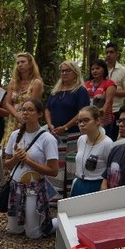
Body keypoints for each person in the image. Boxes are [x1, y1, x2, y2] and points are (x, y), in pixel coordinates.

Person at [3, 98, 59, 238]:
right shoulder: (15, 135)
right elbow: (6, 164)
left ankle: (57, 222)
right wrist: (16, 158)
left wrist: (28, 160)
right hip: (16, 186)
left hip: (34, 188)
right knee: (14, 230)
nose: (25, 113)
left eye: (30, 110)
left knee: (33, 234)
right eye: (23, 110)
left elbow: (53, 171)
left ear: (39, 114)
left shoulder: (47, 139)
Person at [45, 61, 90, 197]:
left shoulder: (80, 91)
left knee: (71, 167)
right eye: (62, 71)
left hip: (73, 134)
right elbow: (47, 109)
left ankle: (71, 197)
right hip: (55, 134)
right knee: (55, 164)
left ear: (75, 73)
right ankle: (54, 198)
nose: (64, 73)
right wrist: (50, 124)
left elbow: (82, 112)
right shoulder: (56, 91)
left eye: (67, 70)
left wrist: (65, 127)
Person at [1, 52, 44, 146]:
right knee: (9, 148)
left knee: (25, 147)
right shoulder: (13, 82)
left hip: (28, 119)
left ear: (30, 64)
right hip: (13, 119)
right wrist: (16, 115)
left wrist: (23, 117)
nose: (20, 65)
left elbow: (34, 104)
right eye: (18, 63)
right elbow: (7, 103)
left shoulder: (36, 83)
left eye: (23, 62)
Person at [71, 106, 114, 196]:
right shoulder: (81, 139)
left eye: (86, 120)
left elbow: (110, 170)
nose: (81, 124)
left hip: (96, 185)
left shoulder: (107, 143)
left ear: (97, 120)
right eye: (79, 121)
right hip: (79, 183)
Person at [104, 42, 125, 140]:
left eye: (111, 52)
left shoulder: (124, 71)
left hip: (115, 111)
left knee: (111, 140)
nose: (108, 55)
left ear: (117, 54)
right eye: (107, 52)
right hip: (99, 111)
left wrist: (110, 91)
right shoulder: (100, 69)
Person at [84, 58, 116, 127]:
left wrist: (101, 114)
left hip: (104, 120)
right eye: (92, 69)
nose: (94, 71)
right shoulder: (86, 84)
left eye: (97, 68)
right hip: (88, 119)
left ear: (104, 69)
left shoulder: (110, 83)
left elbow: (108, 102)